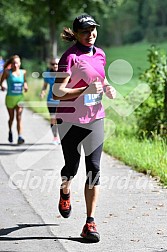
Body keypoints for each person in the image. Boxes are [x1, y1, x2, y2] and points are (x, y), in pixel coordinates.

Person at [52, 14, 116, 242]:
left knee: (94, 169)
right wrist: (83, 91)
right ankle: (65, 191)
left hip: (95, 118)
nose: (91, 35)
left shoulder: (100, 54)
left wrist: (107, 88)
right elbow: (57, 92)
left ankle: (90, 222)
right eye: (86, 32)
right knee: (71, 167)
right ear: (77, 34)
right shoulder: (69, 57)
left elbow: (100, 78)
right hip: (70, 120)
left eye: (94, 30)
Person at [0, 55, 28, 144]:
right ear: (11, 64)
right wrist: (2, 86)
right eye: (14, 63)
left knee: (19, 117)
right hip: (10, 98)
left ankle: (20, 136)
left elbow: (25, 81)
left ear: (20, 63)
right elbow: (1, 81)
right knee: (11, 118)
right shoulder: (7, 72)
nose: (16, 65)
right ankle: (10, 131)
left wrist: (26, 85)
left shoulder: (23, 72)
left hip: (20, 98)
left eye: (17, 63)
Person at [40, 58, 60, 145]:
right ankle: (55, 137)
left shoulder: (64, 74)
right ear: (50, 65)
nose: (55, 66)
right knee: (53, 119)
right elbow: (45, 86)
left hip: (62, 101)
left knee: (61, 120)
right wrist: (42, 92)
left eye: (56, 64)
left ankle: (63, 137)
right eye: (53, 64)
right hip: (51, 100)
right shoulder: (47, 74)